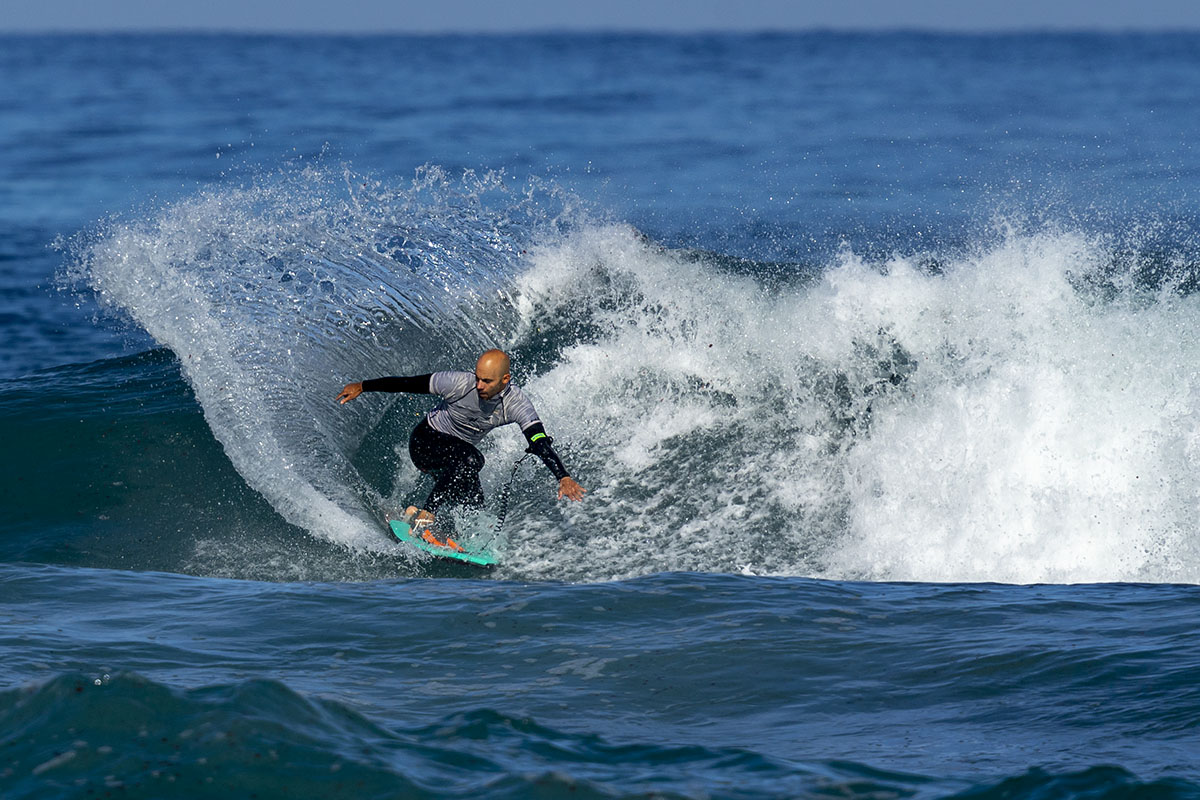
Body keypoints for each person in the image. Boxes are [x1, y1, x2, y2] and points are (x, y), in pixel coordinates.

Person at [337, 349, 585, 538]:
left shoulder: (517, 404)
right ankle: (426, 513)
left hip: (455, 458)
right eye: (478, 378)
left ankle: (415, 518)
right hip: (426, 442)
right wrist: (363, 386)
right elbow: (408, 383)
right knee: (472, 459)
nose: (478, 386)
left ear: (505, 380)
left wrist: (562, 476)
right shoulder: (459, 383)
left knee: (474, 507)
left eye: (486, 381)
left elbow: (539, 441)